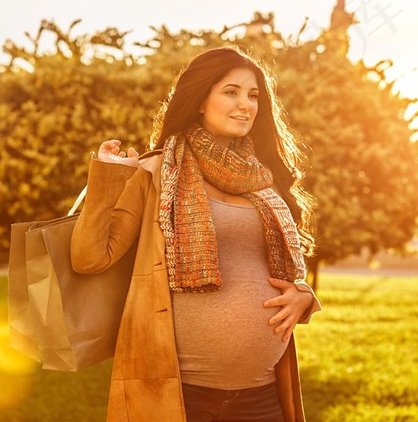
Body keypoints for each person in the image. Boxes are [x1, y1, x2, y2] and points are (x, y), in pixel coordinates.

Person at [71, 46, 321, 422]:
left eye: (253, 95)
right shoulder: (156, 173)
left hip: (262, 395)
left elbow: (281, 271)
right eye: (231, 91)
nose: (245, 105)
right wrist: (107, 177)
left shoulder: (264, 179)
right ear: (201, 100)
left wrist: (305, 296)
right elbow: (89, 258)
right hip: (179, 397)